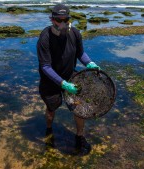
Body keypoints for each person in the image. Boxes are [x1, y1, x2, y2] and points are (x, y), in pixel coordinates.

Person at [36, 3, 100, 154]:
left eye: (66, 20)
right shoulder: (44, 38)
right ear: (52, 19)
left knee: (78, 107)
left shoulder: (75, 33)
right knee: (52, 109)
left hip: (70, 76)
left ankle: (79, 136)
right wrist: (62, 84)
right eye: (59, 20)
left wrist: (90, 63)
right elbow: (45, 67)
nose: (63, 24)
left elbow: (80, 53)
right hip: (50, 81)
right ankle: (49, 129)